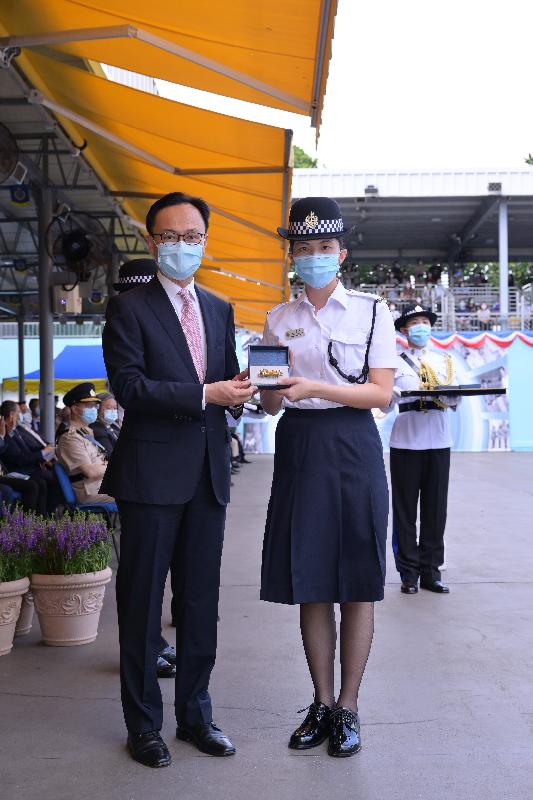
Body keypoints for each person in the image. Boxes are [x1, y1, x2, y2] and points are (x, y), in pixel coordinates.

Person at [102, 190, 256, 768]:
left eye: (192, 237)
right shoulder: (130, 307)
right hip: (149, 479)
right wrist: (205, 395)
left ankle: (196, 715)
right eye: (170, 236)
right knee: (141, 606)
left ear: (205, 242)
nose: (182, 246)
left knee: (199, 603)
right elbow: (131, 388)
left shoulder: (218, 307)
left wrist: (247, 395)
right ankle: (144, 725)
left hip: (207, 476)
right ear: (152, 242)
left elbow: (222, 384)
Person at [259, 197, 397, 758]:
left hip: (354, 443)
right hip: (299, 445)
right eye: (303, 248)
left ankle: (349, 706)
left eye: (323, 247)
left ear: (341, 253)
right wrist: (262, 386)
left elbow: (380, 392)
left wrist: (314, 387)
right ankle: (319, 702)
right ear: (292, 255)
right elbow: (270, 404)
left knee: (356, 582)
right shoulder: (278, 319)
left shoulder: (371, 312)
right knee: (310, 581)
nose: (313, 257)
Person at [381, 304, 460, 595]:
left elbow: (455, 401)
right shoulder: (394, 363)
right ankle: (408, 572)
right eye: (415, 322)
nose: (421, 326)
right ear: (404, 329)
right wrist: (391, 394)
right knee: (404, 510)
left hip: (438, 440)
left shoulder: (444, 361)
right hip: (406, 441)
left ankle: (431, 571)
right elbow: (382, 404)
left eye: (425, 321)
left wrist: (449, 395)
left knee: (435, 509)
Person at [56, 384, 114, 504]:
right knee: (137, 492)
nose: (94, 409)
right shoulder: (70, 438)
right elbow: (90, 471)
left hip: (103, 484)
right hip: (91, 491)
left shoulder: (85, 433)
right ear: (75, 408)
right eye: (89, 406)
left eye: (95, 405)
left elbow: (100, 461)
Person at [90, 392, 121, 458]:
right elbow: (110, 455)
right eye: (109, 408)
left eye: (115, 408)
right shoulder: (97, 429)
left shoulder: (113, 426)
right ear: (97, 409)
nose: (112, 411)